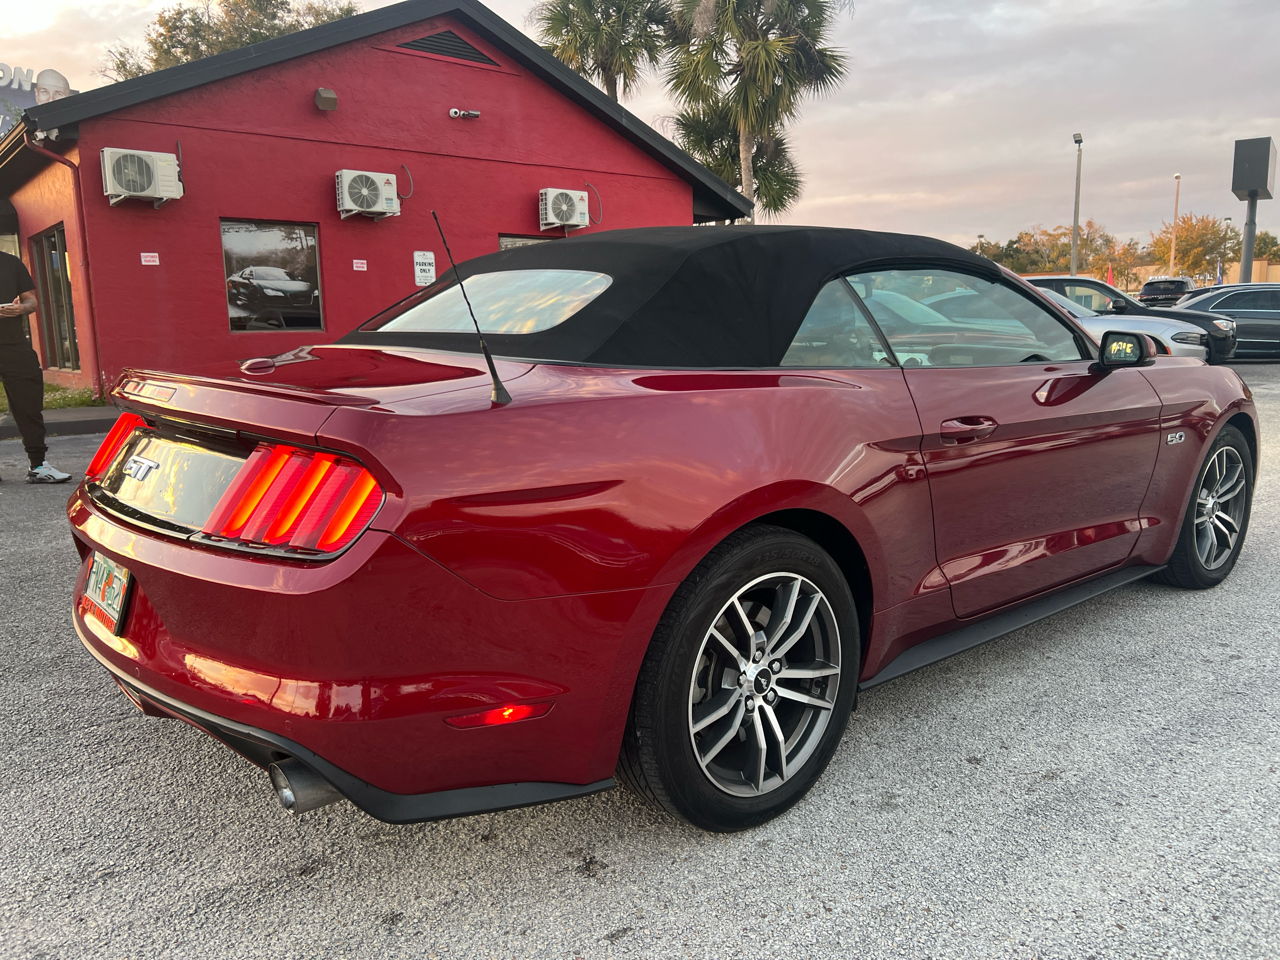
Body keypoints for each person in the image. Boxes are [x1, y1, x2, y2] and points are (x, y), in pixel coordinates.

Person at [0, 250, 71, 483]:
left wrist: (20, 308)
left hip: (14, 345)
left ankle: (39, 466)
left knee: (29, 405)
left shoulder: (10, 262)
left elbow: (31, 301)